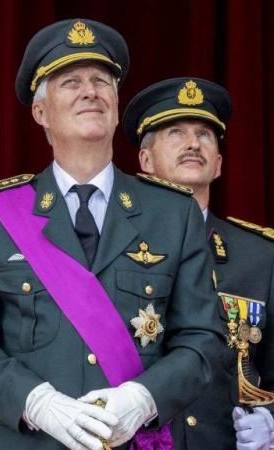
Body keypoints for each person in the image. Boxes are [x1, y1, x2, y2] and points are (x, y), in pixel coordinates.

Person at [0, 19, 223, 450]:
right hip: (31, 441)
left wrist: (142, 398)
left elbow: (203, 337)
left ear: (115, 103)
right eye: (70, 81)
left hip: (134, 440)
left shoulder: (174, 211)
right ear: (41, 113)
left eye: (101, 81)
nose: (90, 91)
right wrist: (35, 402)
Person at [124, 77, 274, 450]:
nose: (193, 143)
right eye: (175, 133)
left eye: (205, 135)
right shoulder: (112, 247)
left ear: (219, 164)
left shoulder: (260, 255)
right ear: (145, 161)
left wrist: (273, 422)